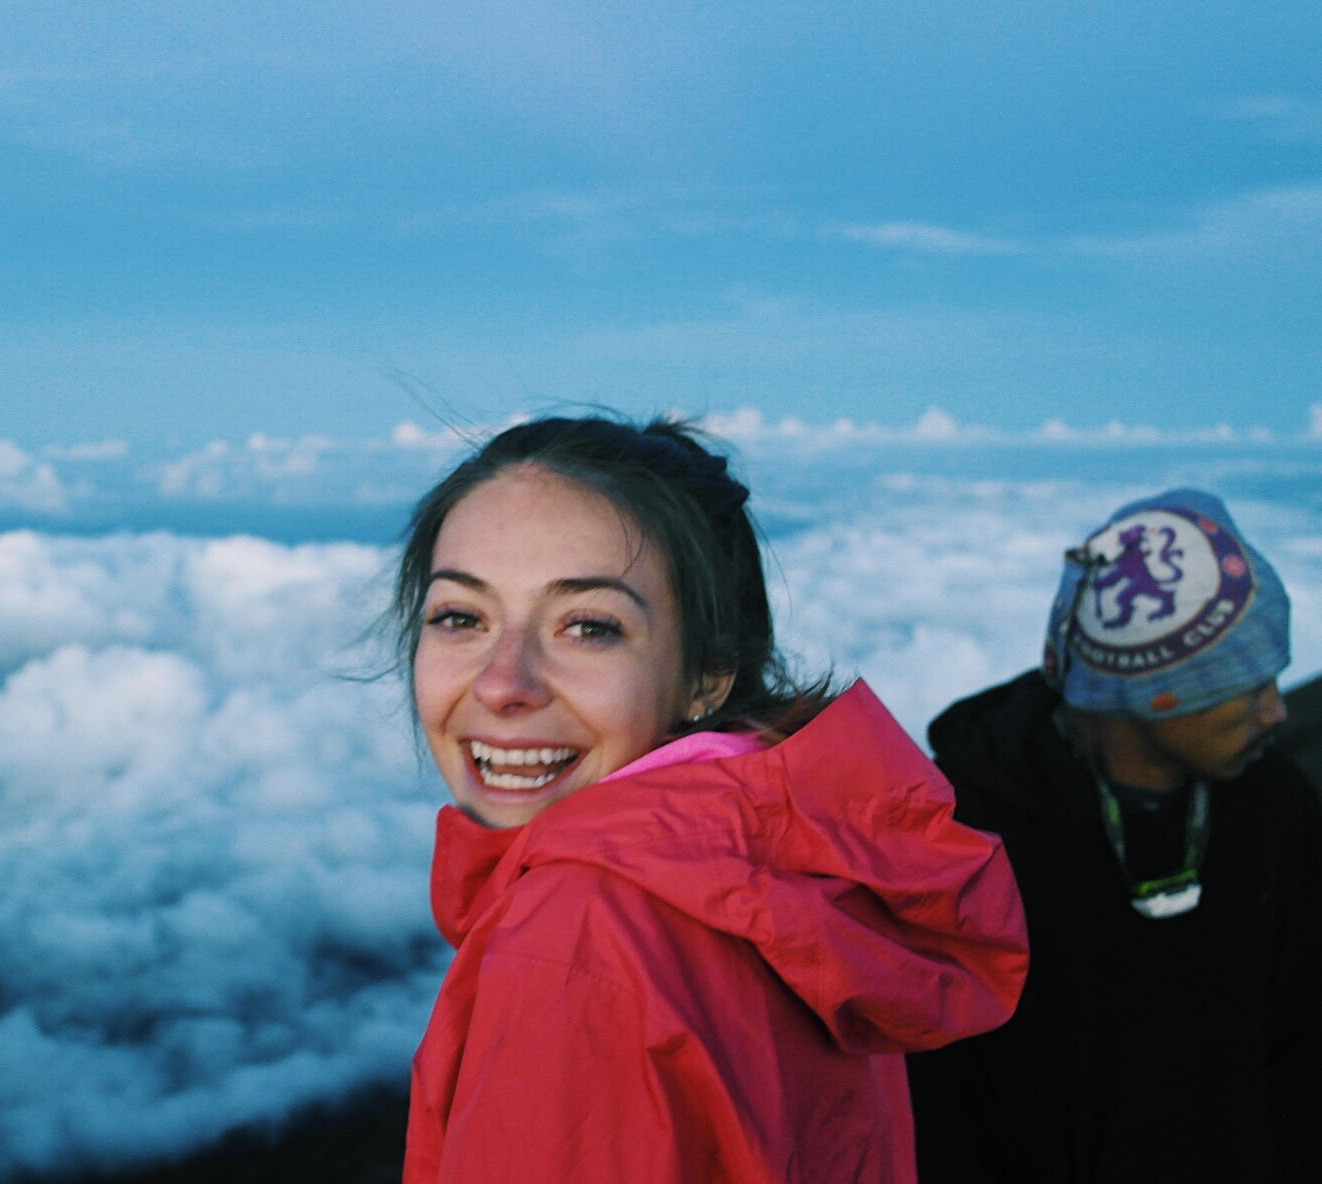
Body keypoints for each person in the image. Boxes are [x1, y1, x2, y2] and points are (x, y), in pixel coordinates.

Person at [394, 415, 1029, 1183]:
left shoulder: (578, 936)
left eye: (588, 627)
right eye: (460, 618)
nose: (503, 683)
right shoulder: (800, 882)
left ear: (707, 675)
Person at [906, 488, 1322, 1183]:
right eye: (1248, 688)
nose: (1276, 712)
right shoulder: (969, 838)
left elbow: (1303, 1042)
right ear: (1158, 695)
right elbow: (944, 1095)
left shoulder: (1275, 807)